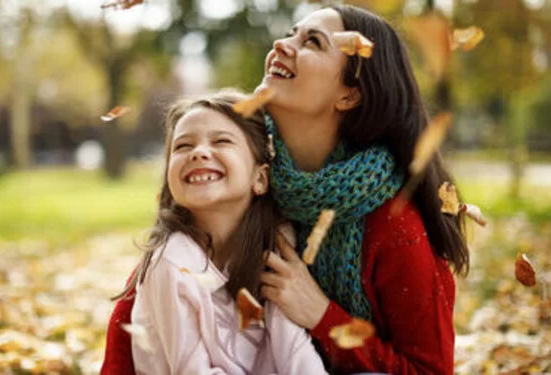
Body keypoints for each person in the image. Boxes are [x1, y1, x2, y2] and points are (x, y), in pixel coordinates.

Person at [101, 4, 469, 375]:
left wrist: (322, 316)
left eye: (312, 42)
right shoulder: (248, 174)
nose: (282, 43)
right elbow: (149, 291)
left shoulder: (394, 224)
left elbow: (430, 369)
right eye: (291, 32)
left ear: (349, 95)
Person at [104, 90, 328, 375]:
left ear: (260, 178)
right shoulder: (172, 261)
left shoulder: (278, 246)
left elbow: (295, 353)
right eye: (183, 146)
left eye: (221, 141)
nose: (198, 152)